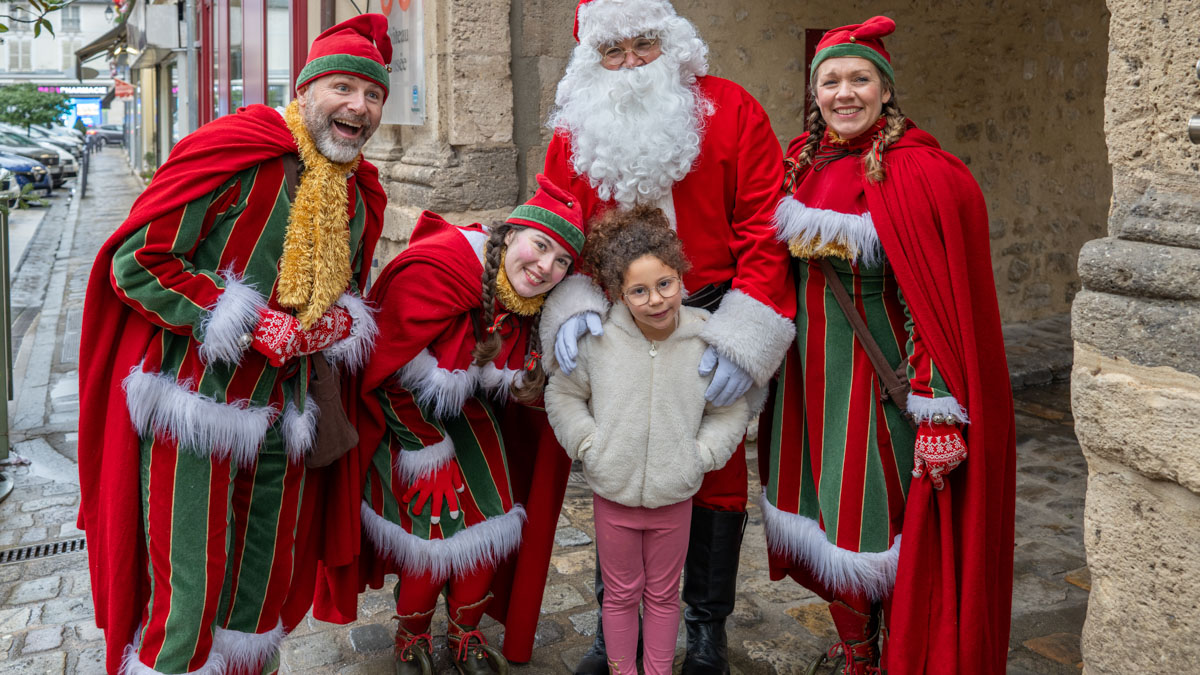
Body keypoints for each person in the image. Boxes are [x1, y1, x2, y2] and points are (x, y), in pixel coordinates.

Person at [77, 15, 391, 675]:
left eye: (373, 95)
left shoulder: (358, 194)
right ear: (306, 91)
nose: (359, 106)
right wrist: (245, 321)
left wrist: (336, 322)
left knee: (260, 592)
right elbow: (138, 261)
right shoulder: (239, 154)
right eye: (343, 87)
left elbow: (344, 293)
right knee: (188, 593)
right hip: (195, 407)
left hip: (288, 415)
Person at [541, 1, 796, 672]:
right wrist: (570, 304)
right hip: (615, 319)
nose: (630, 62)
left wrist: (745, 336)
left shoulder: (732, 110)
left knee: (715, 479)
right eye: (613, 50)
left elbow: (765, 227)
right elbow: (556, 217)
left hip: (712, 316)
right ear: (592, 58)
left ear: (672, 41)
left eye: (644, 44)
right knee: (619, 475)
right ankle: (614, 633)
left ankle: (706, 628)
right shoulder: (576, 125)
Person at [760, 16, 1016, 674]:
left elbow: (937, 302)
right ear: (814, 91)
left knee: (883, 523)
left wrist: (937, 408)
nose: (844, 93)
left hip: (879, 384)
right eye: (830, 81)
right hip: (807, 383)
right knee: (825, 517)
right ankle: (857, 650)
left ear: (886, 88)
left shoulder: (922, 172)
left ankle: (904, 653)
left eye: (860, 79)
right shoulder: (799, 162)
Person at [314, 175, 586, 675]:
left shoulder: (528, 297)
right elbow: (385, 370)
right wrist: (427, 450)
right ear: (510, 235)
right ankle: (412, 635)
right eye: (541, 245)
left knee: (492, 521)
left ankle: (465, 633)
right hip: (402, 420)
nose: (546, 266)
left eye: (562, 261)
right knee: (431, 532)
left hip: (470, 417)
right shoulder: (439, 269)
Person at [545, 207, 754, 675]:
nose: (656, 300)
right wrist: (588, 445)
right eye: (639, 291)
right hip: (613, 494)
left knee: (662, 595)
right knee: (620, 595)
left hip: (674, 496)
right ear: (619, 293)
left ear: (680, 276)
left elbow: (729, 410)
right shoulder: (600, 339)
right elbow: (563, 394)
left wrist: (700, 455)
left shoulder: (705, 337)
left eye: (665, 284)